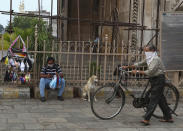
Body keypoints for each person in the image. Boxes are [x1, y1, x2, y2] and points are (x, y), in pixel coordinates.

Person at [123, 44, 173, 125]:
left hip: (159, 79)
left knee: (153, 99)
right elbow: (139, 64)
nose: (145, 52)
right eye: (145, 51)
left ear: (152, 51)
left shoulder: (155, 59)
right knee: (161, 100)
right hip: (154, 80)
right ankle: (168, 117)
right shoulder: (149, 58)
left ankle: (147, 119)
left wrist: (138, 72)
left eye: (147, 51)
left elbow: (150, 71)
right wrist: (128, 67)